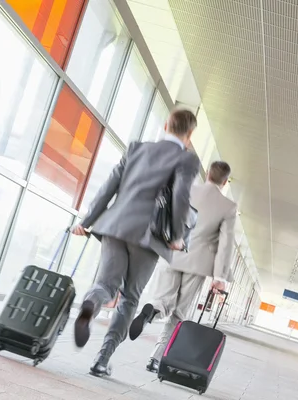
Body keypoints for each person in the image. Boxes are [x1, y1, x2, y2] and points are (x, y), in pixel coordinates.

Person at [70, 109, 201, 377]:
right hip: (148, 237)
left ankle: (90, 306)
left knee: (105, 285)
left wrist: (86, 221)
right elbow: (180, 198)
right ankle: (102, 359)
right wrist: (176, 236)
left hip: (115, 226)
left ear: (166, 125)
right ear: (189, 136)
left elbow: (109, 186)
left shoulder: (136, 148)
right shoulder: (186, 159)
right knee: (129, 297)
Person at [128, 161, 237, 373]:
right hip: (198, 264)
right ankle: (156, 358)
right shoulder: (228, 207)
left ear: (208, 175)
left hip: (172, 253)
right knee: (178, 313)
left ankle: (152, 312)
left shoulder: (185, 190)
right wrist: (219, 276)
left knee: (163, 300)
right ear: (224, 182)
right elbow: (225, 244)